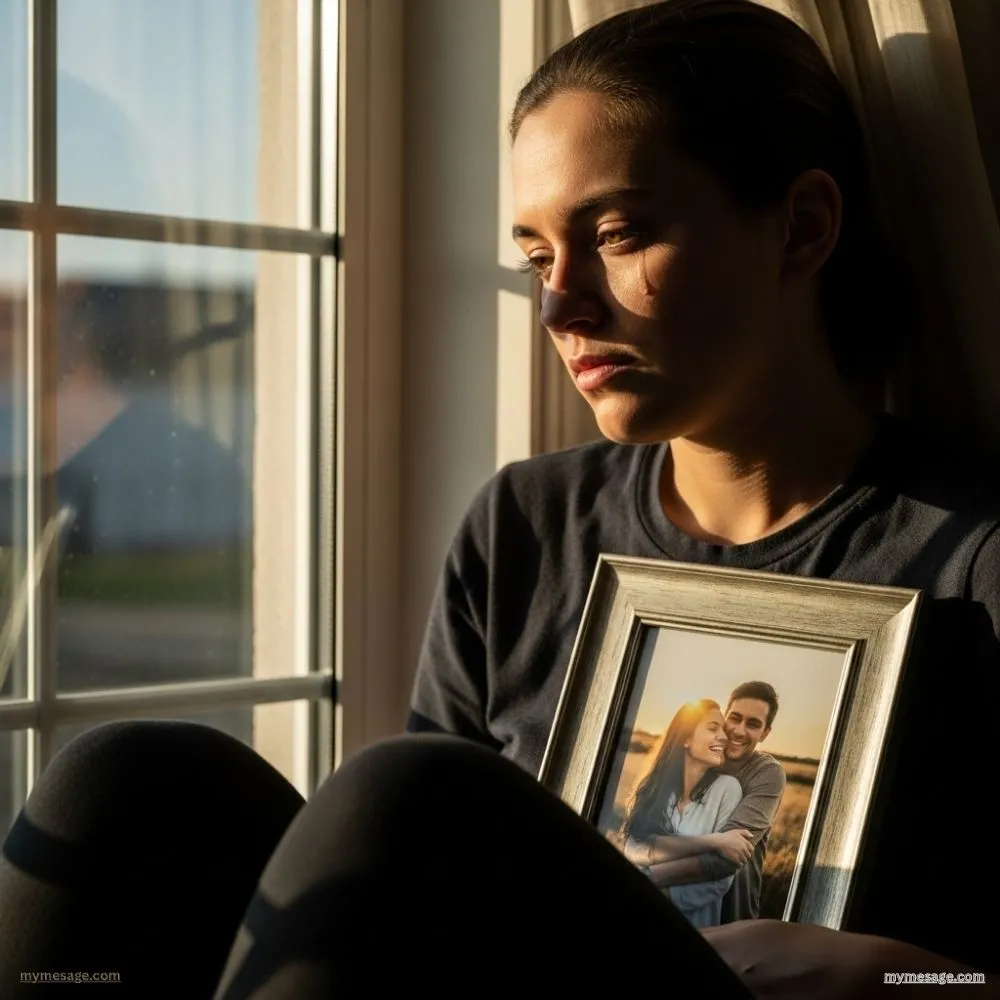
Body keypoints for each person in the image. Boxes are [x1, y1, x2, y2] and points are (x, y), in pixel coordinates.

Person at [1, 1, 998, 997]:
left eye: (616, 234)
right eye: (533, 257)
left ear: (803, 225)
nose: (560, 304)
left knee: (404, 789)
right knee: (131, 780)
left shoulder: (971, 552)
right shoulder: (527, 526)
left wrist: (927, 982)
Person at [643, 682, 786, 921]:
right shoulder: (698, 760)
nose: (739, 731)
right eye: (735, 718)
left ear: (765, 733)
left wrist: (651, 877)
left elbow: (726, 858)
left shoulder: (766, 773)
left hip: (730, 920)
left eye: (753, 724)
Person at [619, 699, 744, 927]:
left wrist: (658, 888)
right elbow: (633, 850)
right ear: (686, 738)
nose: (724, 737)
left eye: (723, 730)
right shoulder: (654, 790)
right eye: (713, 728)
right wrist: (714, 842)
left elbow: (721, 873)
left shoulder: (728, 789)